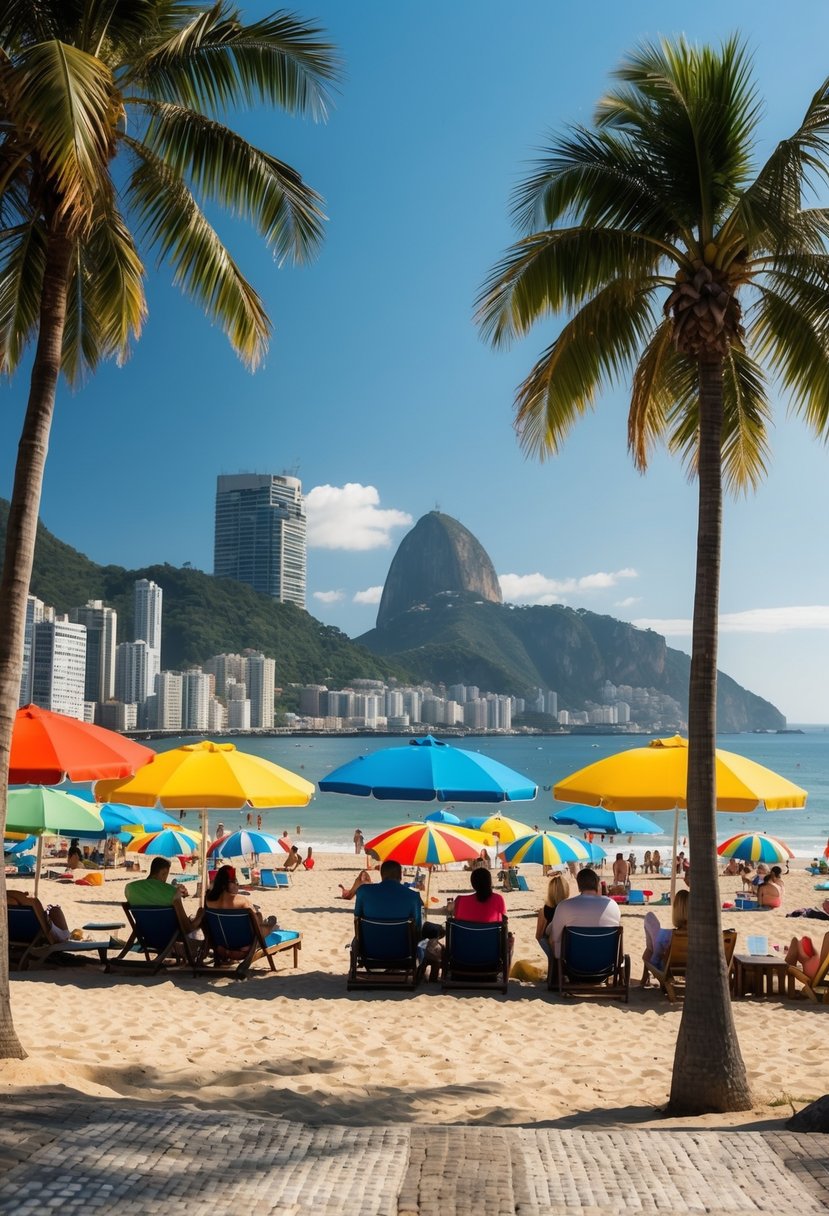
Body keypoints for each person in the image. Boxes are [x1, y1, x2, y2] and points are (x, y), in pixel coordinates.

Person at [205, 865, 277, 959]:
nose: (237, 884)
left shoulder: (208, 900)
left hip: (220, 943)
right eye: (234, 881)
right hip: (243, 943)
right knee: (273, 925)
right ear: (224, 884)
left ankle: (229, 952)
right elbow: (257, 923)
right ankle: (245, 948)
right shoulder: (242, 901)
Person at [548, 867, 621, 959]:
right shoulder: (612, 905)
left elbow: (555, 938)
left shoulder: (564, 906)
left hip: (573, 964)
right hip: (606, 962)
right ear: (597, 885)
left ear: (579, 886)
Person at [125, 856, 199, 932]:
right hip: (168, 935)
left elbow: (152, 895)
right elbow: (186, 928)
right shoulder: (173, 892)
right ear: (164, 872)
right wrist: (200, 914)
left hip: (145, 934)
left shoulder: (130, 888)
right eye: (167, 874)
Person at [354, 859, 423, 928]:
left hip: (369, 937)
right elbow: (418, 926)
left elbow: (357, 916)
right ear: (400, 877)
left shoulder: (363, 891)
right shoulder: (413, 896)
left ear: (382, 875)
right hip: (401, 938)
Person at [642, 888, 689, 982]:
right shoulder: (701, 936)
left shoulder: (667, 936)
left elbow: (655, 961)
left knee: (649, 917)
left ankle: (644, 978)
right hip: (690, 966)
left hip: (668, 969)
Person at [535, 873, 569, 963]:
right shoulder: (571, 908)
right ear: (566, 890)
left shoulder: (544, 911)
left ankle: (553, 966)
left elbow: (538, 936)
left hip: (552, 949)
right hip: (569, 947)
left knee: (544, 939)